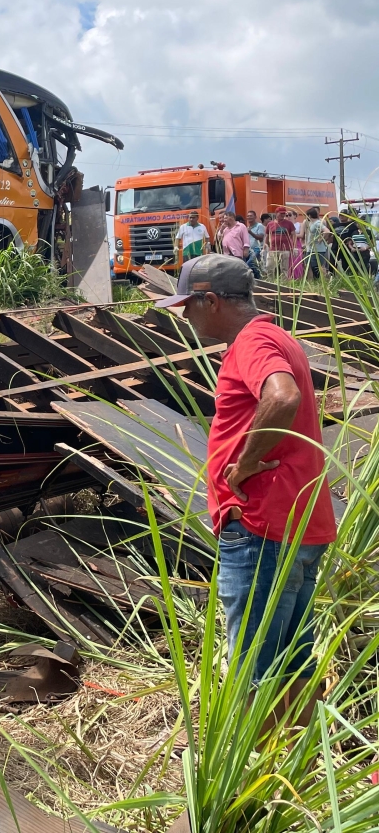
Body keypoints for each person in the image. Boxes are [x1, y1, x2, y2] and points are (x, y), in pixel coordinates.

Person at [157, 257, 336, 723]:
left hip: (261, 526)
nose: (185, 318)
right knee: (292, 658)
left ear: (210, 301)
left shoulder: (253, 342)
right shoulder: (279, 337)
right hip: (296, 525)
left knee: (256, 668)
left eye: (187, 307)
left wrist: (247, 462)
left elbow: (282, 396)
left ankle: (253, 773)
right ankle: (294, 771)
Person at [264, 209, 296, 281]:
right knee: (269, 266)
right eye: (281, 213)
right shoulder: (270, 224)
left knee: (284, 268)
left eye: (284, 213)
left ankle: (284, 283)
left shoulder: (289, 223)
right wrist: (266, 246)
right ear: (276, 213)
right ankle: (271, 282)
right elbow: (267, 236)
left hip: (285, 249)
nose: (282, 215)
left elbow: (294, 235)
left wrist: (293, 246)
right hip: (273, 249)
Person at [303, 207, 330, 279]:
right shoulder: (312, 223)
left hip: (318, 249)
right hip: (311, 249)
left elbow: (327, 231)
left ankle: (326, 281)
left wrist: (321, 239)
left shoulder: (317, 223)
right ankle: (312, 281)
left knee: (320, 267)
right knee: (310, 265)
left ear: (309, 215)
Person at [247, 210, 266, 275]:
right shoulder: (248, 227)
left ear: (255, 217)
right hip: (249, 250)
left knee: (249, 264)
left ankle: (259, 276)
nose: (249, 217)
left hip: (257, 249)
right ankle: (258, 277)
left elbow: (260, 238)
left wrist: (250, 232)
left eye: (251, 216)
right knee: (253, 265)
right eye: (248, 216)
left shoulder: (259, 225)